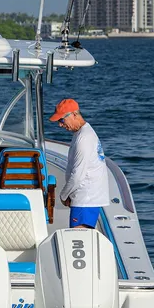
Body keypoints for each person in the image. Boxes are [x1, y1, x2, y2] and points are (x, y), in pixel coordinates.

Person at [49, 98, 109, 228]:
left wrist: (63, 196)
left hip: (85, 199)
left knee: (79, 239)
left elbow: (78, 176)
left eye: (61, 120)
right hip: (87, 198)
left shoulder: (84, 139)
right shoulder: (83, 132)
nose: (60, 125)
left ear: (74, 114)